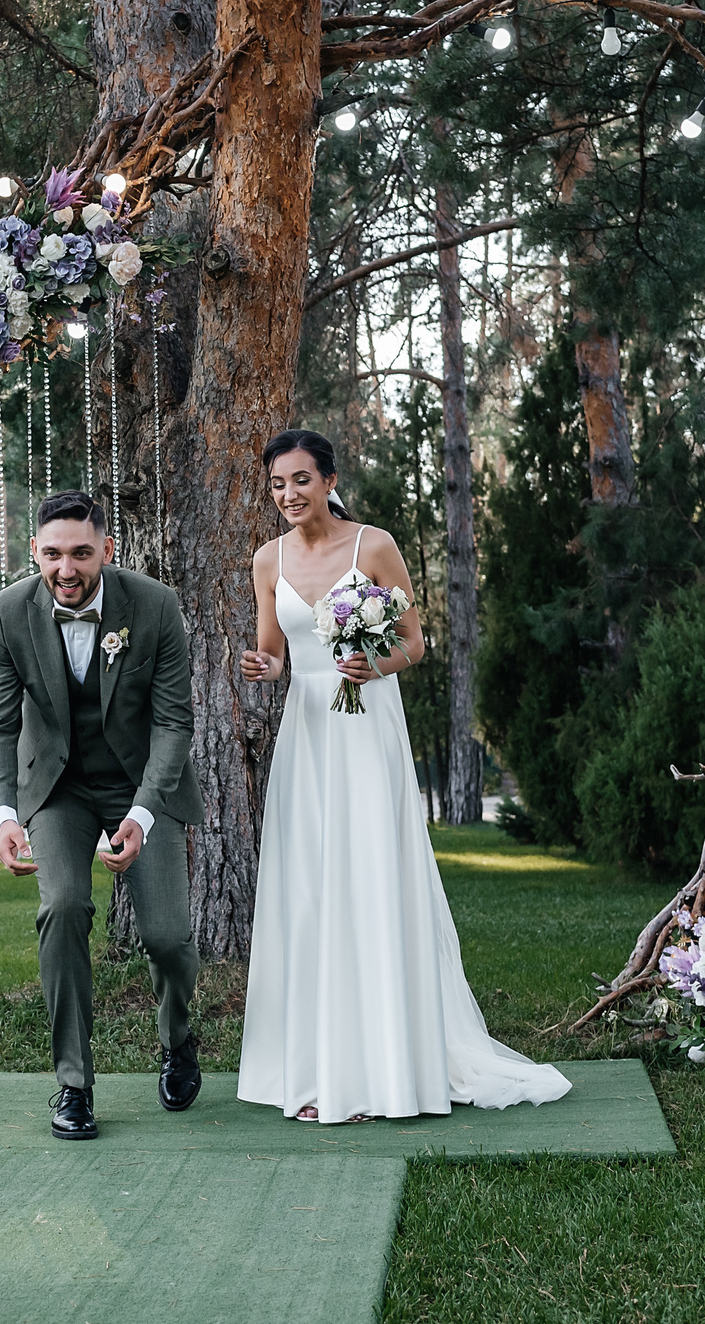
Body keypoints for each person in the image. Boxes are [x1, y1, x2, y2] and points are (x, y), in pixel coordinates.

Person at [235, 430, 569, 1124]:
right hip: (310, 733)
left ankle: (378, 1071)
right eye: (277, 483)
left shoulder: (373, 545)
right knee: (311, 891)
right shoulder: (267, 559)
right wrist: (264, 669)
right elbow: (275, 653)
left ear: (329, 480)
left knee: (369, 881)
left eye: (301, 480)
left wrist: (372, 664)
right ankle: (317, 1070)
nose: (289, 494)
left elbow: (414, 641)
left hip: (366, 728)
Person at [0, 489, 199, 1140]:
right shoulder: (8, 610)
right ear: (35, 553)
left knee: (166, 934)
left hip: (141, 783)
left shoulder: (153, 606)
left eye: (81, 552)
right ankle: (74, 1083)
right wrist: (4, 813)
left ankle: (178, 1039)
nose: (66, 569)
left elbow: (173, 721)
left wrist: (143, 813)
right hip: (58, 786)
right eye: (52, 554)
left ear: (107, 548)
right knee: (64, 906)